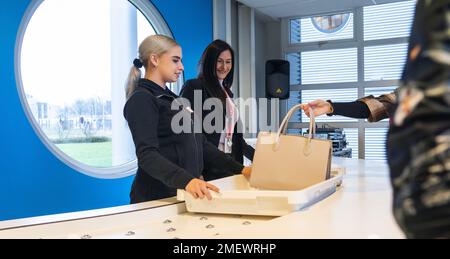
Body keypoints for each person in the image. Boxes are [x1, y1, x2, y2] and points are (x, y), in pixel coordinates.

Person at [124, 35, 251, 204]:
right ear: (154, 59)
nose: (181, 67)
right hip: (156, 198)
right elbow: (147, 155)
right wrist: (187, 181)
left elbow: (202, 144)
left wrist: (241, 169)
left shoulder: (175, 100)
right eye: (175, 61)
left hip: (182, 194)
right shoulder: (142, 99)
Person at [180, 39, 255, 165]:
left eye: (228, 62)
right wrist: (193, 172)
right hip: (207, 164)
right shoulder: (195, 86)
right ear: (209, 62)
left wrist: (261, 160)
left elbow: (237, 139)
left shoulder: (227, 93)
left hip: (229, 161)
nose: (224, 67)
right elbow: (186, 134)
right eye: (219, 61)